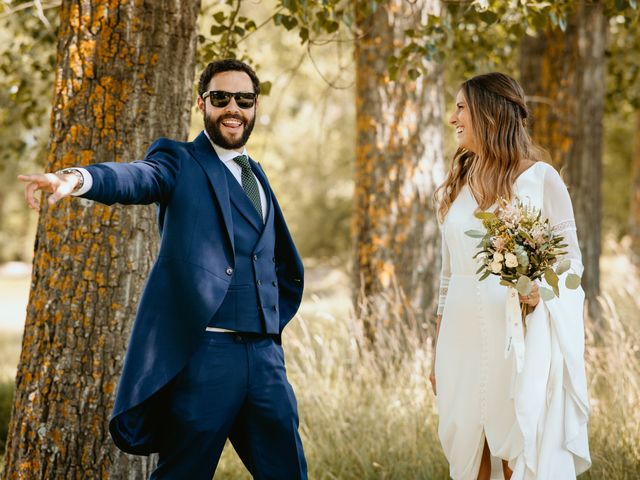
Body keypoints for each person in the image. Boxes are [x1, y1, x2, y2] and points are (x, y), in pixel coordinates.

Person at [19, 59, 307, 480]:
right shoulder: (180, 160)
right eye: (221, 98)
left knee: (289, 473)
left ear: (255, 105)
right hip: (207, 356)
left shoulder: (257, 177)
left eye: (243, 99)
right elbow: (137, 177)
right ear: (201, 103)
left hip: (265, 358)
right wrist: (80, 179)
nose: (233, 108)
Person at [430, 72, 590, 480]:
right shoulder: (456, 185)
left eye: (461, 107)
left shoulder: (541, 179)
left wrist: (541, 293)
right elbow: (447, 280)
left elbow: (571, 262)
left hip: (517, 333)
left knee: (518, 443)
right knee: (468, 445)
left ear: (489, 113)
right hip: (459, 337)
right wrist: (436, 348)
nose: (453, 118)